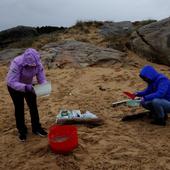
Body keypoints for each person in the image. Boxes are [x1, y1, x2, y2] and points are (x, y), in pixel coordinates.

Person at [6, 48, 48, 141]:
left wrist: (44, 86)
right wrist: (26, 87)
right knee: (19, 108)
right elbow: (11, 81)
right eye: (30, 65)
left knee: (33, 106)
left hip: (29, 85)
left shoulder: (38, 64)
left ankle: (36, 128)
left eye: (34, 65)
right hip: (14, 88)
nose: (32, 66)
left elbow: (41, 78)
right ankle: (22, 131)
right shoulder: (17, 63)